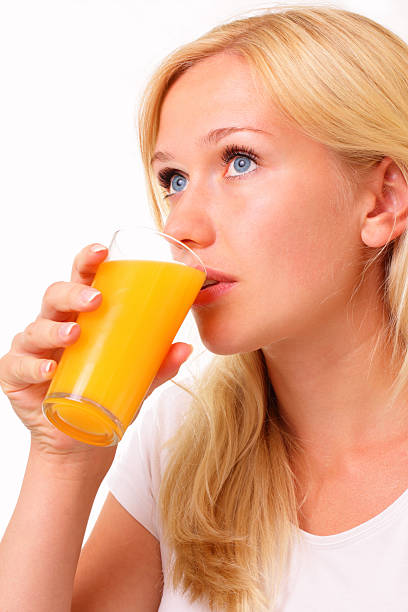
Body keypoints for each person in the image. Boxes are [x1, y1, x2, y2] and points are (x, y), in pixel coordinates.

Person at [1, 4, 408, 611]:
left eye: (239, 161)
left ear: (381, 201)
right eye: (173, 179)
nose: (182, 224)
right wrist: (65, 459)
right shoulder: (182, 443)